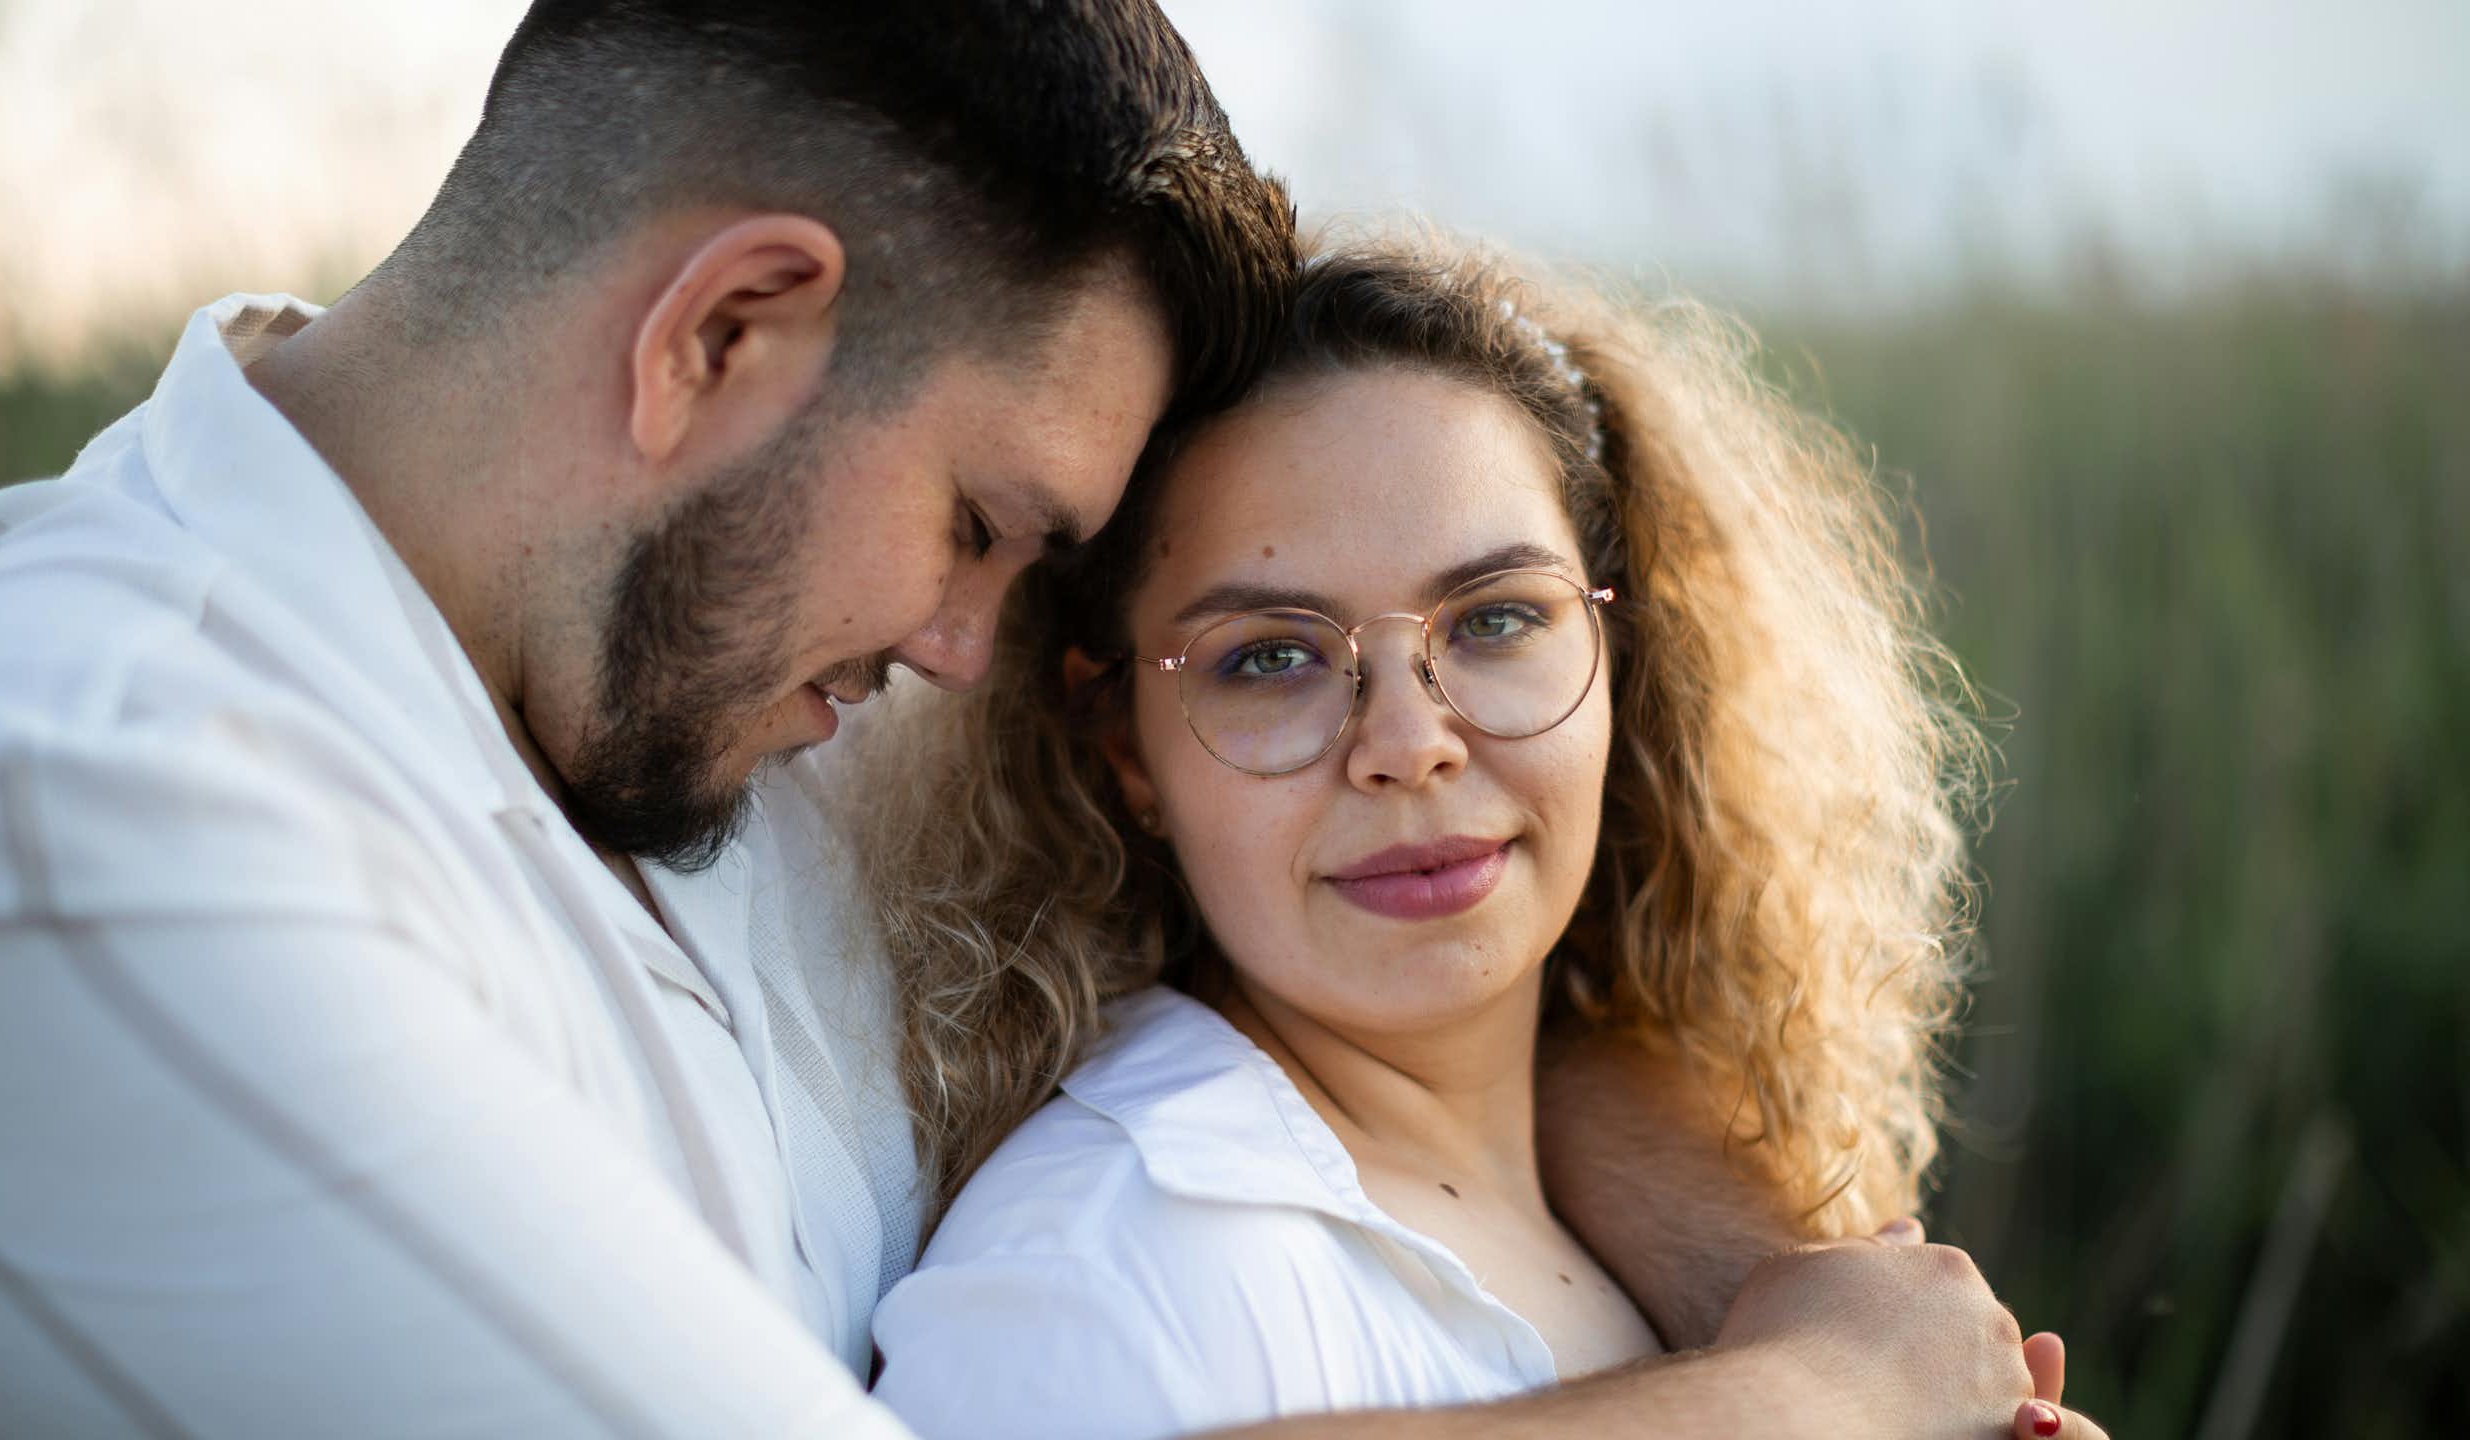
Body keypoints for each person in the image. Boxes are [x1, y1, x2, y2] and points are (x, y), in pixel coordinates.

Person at [0, 1, 2088, 1435]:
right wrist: (1799, 1408)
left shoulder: (686, 663)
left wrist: (1781, 1282)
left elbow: (1383, 948)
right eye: (981, 523)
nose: (963, 655)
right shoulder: (70, 820)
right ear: (727, 334)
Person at [857, 238, 2094, 1440]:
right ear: (1122, 744)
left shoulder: (1649, 1182)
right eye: (1271, 657)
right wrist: (1821, 1397)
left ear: (1622, 665)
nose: (1410, 741)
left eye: (1497, 618)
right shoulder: (1092, 1280)